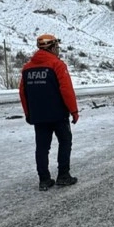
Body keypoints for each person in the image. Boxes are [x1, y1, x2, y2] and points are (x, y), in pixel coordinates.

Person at [19, 34, 79, 191]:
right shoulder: (57, 64)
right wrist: (74, 110)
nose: (58, 50)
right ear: (52, 48)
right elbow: (66, 90)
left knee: (42, 147)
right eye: (57, 47)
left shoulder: (27, 68)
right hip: (58, 114)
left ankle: (44, 179)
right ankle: (63, 176)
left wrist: (28, 113)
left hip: (38, 115)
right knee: (65, 142)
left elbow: (23, 93)